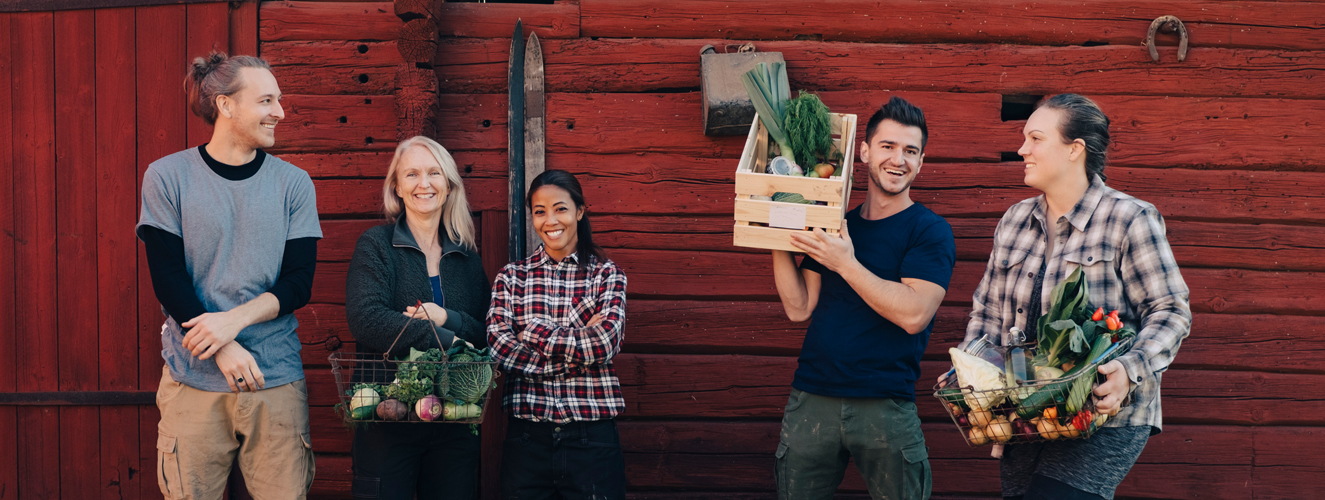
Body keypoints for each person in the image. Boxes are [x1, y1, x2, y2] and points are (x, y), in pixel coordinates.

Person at [963, 94, 1191, 500]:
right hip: (1024, 416)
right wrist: (970, 368)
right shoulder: (1014, 220)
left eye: (1035, 138)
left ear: (1074, 149)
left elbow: (1170, 311)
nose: (1022, 149)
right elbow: (986, 311)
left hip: (1104, 415)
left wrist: (1129, 368)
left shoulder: (1129, 218)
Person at [137, 52, 320, 498]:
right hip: (192, 380)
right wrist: (221, 347)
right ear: (225, 105)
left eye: (279, 100)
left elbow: (297, 283)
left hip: (275, 378)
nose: (280, 112)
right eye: (266, 100)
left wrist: (231, 321)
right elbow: (168, 279)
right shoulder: (167, 177)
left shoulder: (293, 184)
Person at [771, 96, 954, 500]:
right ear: (866, 151)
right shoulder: (838, 225)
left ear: (921, 162)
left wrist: (846, 263)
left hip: (885, 404)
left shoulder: (929, 231)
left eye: (910, 151)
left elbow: (914, 314)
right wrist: (775, 232)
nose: (898, 159)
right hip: (812, 397)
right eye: (888, 146)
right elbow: (799, 307)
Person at [343, 136, 491, 499]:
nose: (423, 184)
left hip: (455, 421)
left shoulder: (465, 256)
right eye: (411, 174)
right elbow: (366, 318)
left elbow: (485, 331)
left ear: (449, 184)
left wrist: (448, 318)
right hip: (388, 417)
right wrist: (439, 336)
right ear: (397, 186)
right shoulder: (377, 245)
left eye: (433, 173)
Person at [486, 169, 629, 500]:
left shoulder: (606, 275)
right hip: (526, 442)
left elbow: (606, 341)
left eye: (560, 208)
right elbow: (498, 347)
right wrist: (575, 349)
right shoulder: (511, 278)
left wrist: (532, 332)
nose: (550, 220)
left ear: (579, 211)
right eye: (540, 211)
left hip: (591, 439)